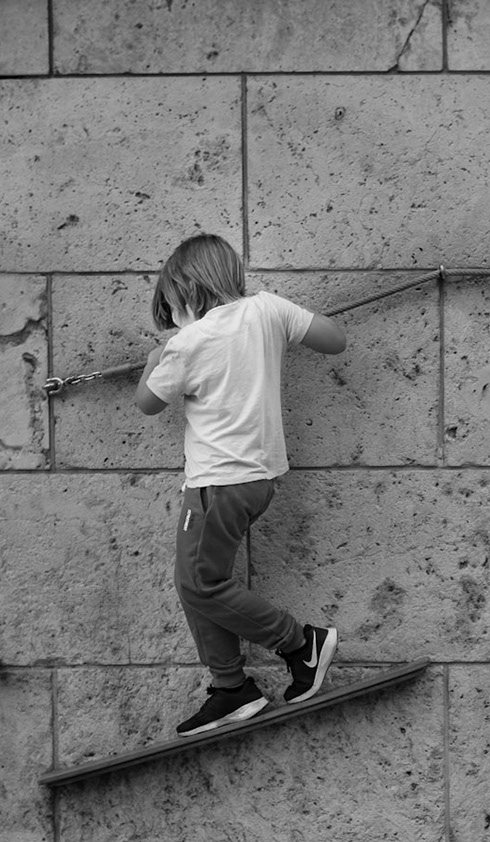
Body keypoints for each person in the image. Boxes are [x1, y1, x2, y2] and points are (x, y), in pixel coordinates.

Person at [135, 233, 348, 735]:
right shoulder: (268, 310)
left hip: (215, 484)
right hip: (259, 482)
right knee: (200, 583)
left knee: (199, 583)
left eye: (170, 305)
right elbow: (334, 339)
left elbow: (146, 403)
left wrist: (153, 363)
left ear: (186, 288)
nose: (171, 318)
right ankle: (231, 689)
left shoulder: (186, 344)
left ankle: (300, 645)